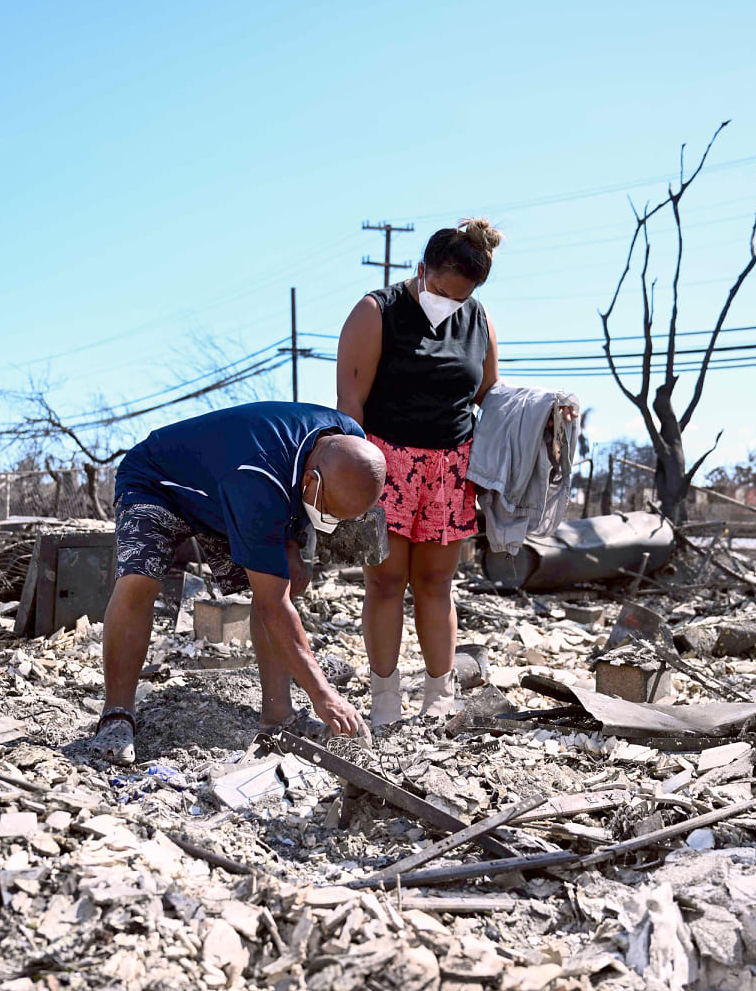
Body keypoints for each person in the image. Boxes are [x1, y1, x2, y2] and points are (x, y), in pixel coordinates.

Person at [88, 401, 386, 764]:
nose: (332, 523)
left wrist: (292, 540)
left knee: (285, 580)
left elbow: (292, 490)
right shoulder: (257, 480)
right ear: (312, 482)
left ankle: (279, 716)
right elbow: (271, 604)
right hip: (157, 482)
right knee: (139, 581)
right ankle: (117, 714)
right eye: (330, 514)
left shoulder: (350, 442)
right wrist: (324, 694)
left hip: (227, 486)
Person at [335, 218, 502, 726]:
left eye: (462, 297)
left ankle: (439, 695)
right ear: (422, 269)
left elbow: (491, 398)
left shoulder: (479, 321)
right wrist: (353, 481)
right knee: (385, 582)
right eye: (444, 291)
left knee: (436, 583)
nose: (451, 303)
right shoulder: (375, 311)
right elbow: (349, 402)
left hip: (450, 470)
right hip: (385, 464)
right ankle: (385, 698)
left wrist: (550, 410)